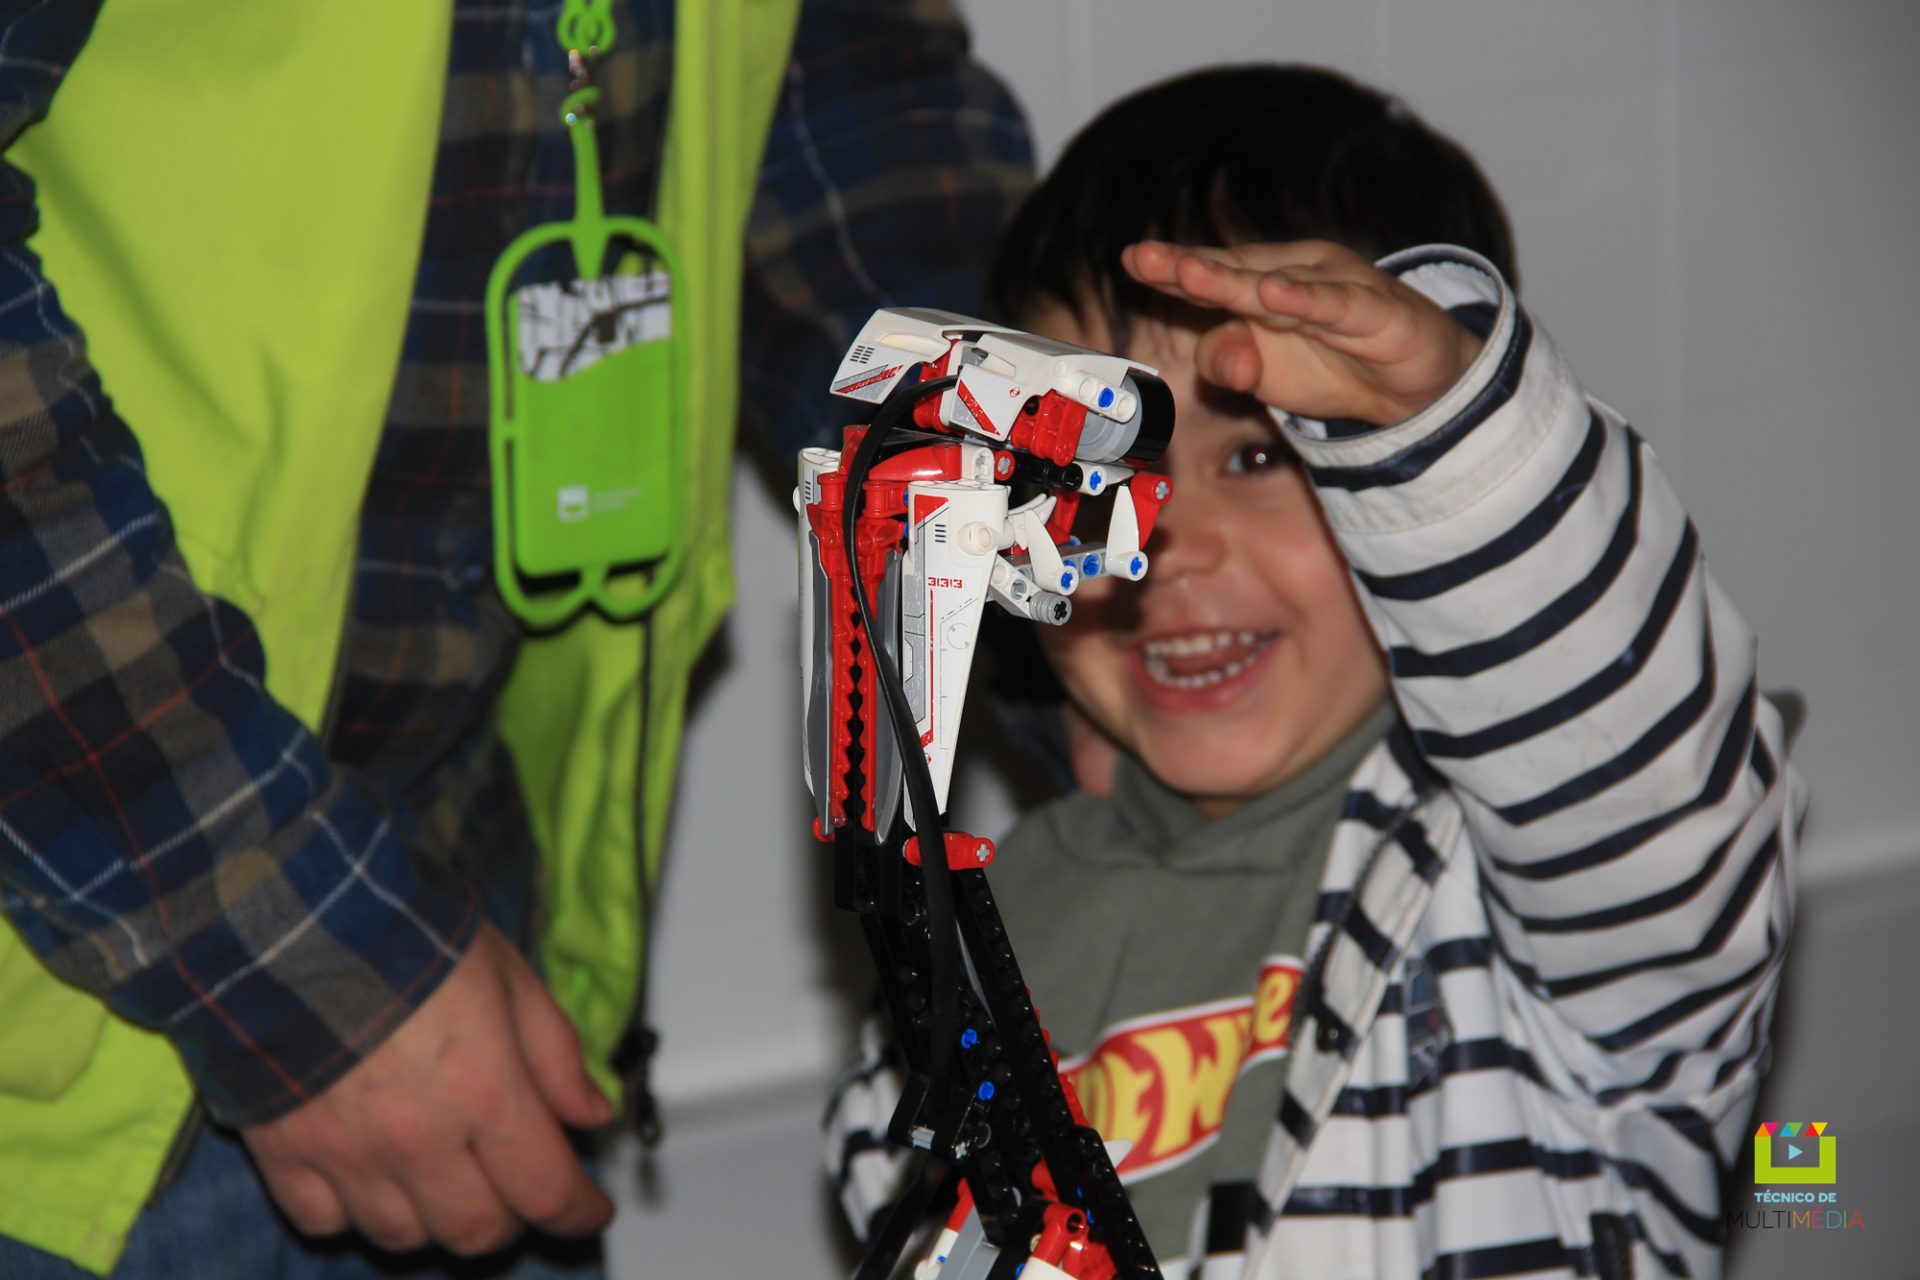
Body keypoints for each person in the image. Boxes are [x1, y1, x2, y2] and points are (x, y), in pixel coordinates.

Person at [0, 2, 1030, 1277]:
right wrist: (286, 941)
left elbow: (850, 143)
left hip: (474, 966)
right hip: (107, 1016)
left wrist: (1093, 593)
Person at [826, 65, 1804, 1279]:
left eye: (1257, 458)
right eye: (1096, 476)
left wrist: (1446, 433)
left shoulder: (1526, 892)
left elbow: (1623, 755)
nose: (1167, 542)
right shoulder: (987, 934)